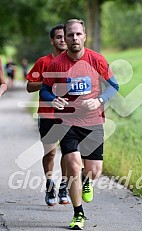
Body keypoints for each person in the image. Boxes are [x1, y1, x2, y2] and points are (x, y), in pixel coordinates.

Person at [40, 19, 119, 230]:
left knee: (94, 170)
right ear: (64, 38)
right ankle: (78, 213)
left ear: (84, 36)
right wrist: (52, 99)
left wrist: (99, 100)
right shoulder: (56, 64)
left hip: (93, 122)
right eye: (70, 35)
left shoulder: (97, 59)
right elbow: (45, 89)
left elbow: (114, 86)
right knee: (73, 165)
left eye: (78, 34)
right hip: (67, 121)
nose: (74, 38)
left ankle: (87, 180)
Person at [26, 24, 71, 206]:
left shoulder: (74, 62)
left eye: (64, 37)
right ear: (52, 40)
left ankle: (63, 187)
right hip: (48, 114)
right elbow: (30, 86)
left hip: (70, 115)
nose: (62, 40)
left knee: (69, 154)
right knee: (51, 153)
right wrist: (47, 82)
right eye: (58, 37)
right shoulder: (43, 62)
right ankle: (49, 183)